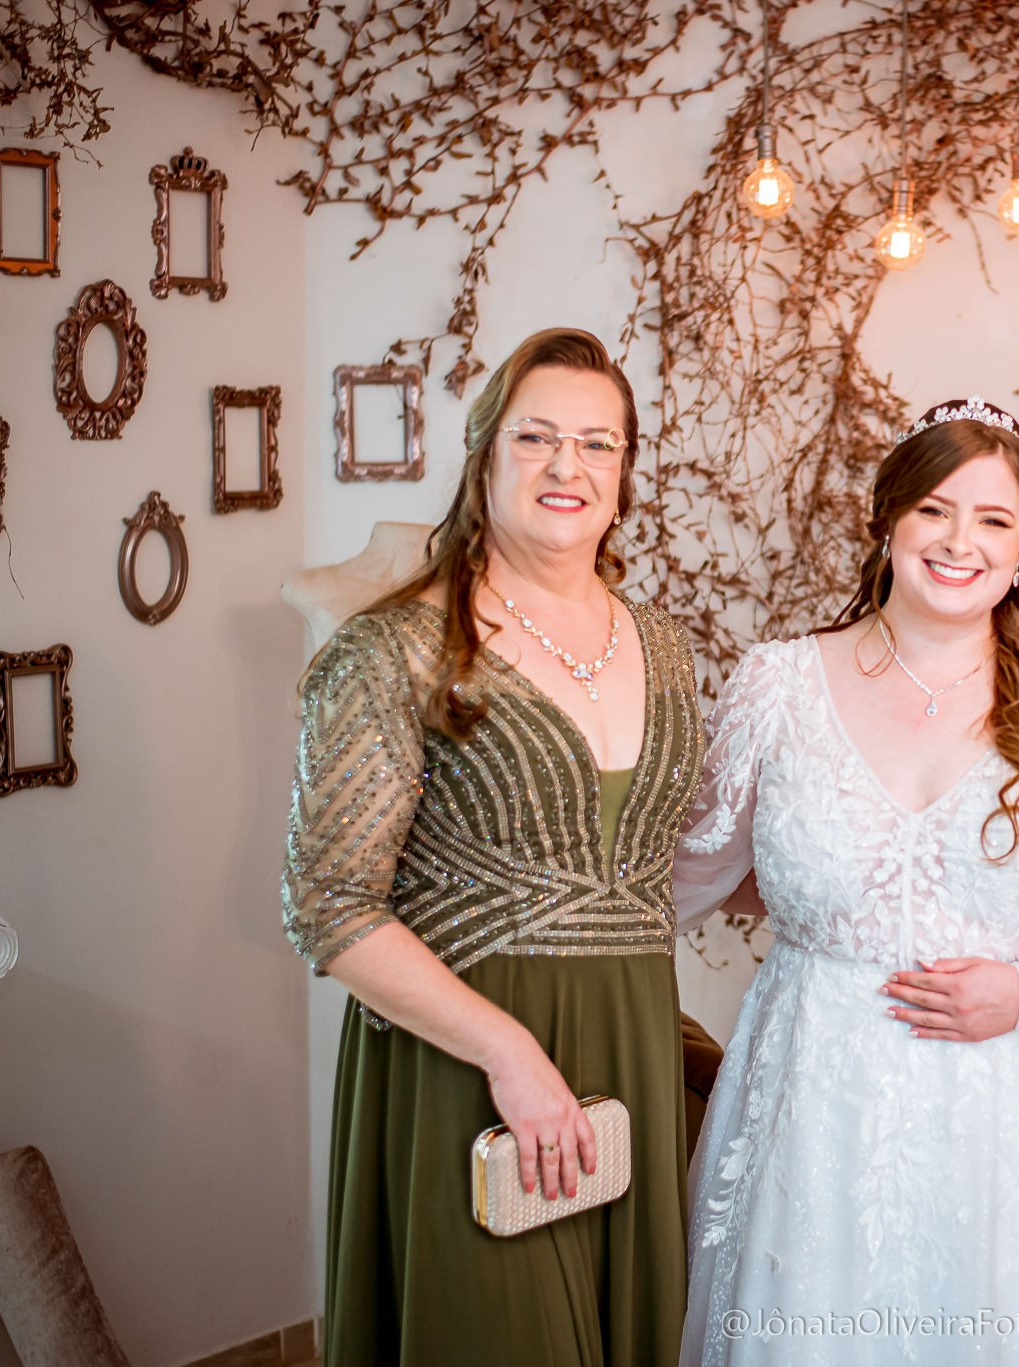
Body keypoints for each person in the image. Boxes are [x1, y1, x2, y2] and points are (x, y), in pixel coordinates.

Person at [672, 398, 1019, 1366]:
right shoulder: (776, 686)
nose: (961, 542)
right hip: (815, 1109)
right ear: (886, 519)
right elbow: (692, 875)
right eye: (935, 510)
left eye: (994, 520)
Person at [282, 328, 704, 1366]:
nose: (568, 466)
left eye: (598, 444)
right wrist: (509, 1055)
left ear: (624, 475)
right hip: (466, 1072)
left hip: (630, 1058)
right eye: (537, 437)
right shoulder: (397, 648)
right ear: (481, 460)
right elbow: (328, 905)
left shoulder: (664, 644)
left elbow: (668, 860)